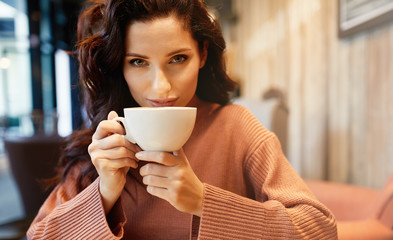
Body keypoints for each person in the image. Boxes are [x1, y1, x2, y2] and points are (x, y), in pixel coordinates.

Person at [27, 0, 337, 239]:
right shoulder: (107, 142)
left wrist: (204, 201)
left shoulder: (236, 127)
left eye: (178, 59)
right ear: (119, 67)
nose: (161, 87)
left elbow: (321, 230)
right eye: (138, 62)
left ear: (202, 54)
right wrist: (104, 192)